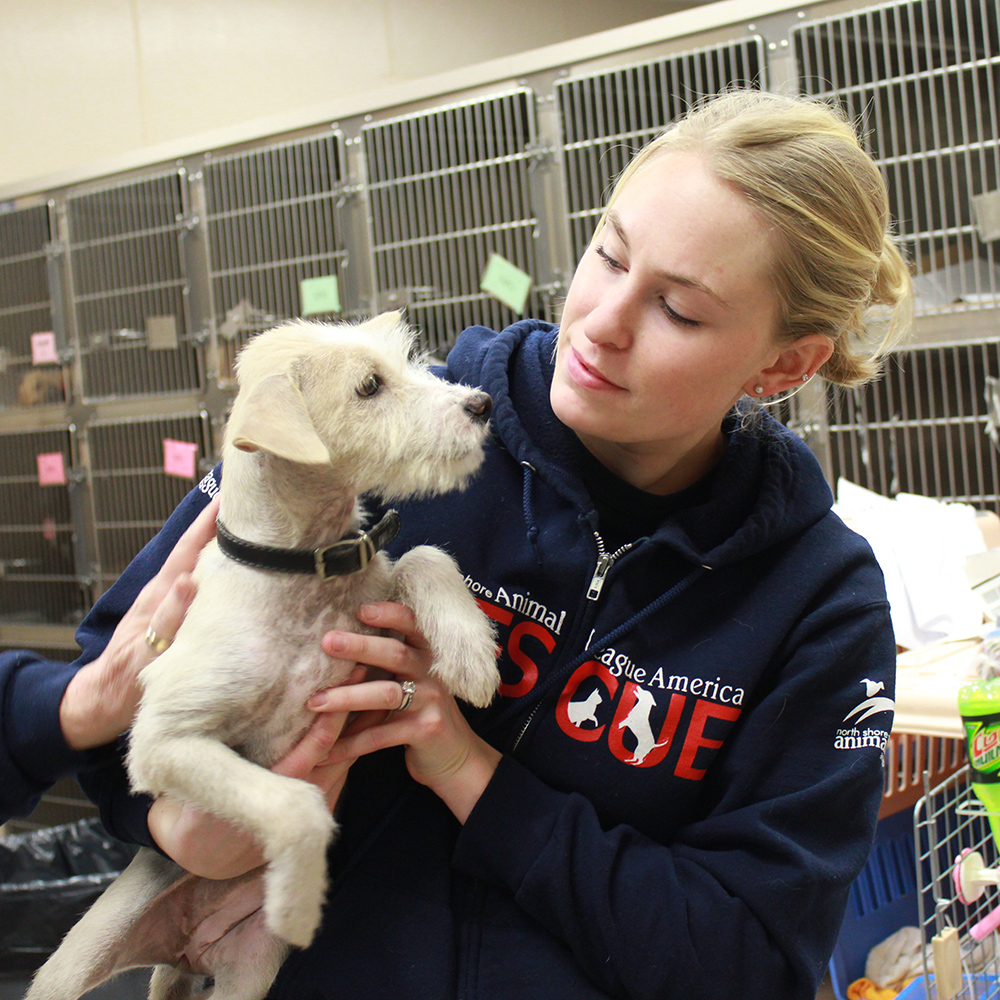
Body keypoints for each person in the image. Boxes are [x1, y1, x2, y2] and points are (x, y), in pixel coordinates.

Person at [72, 88, 912, 1000]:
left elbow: (748, 961)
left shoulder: (818, 600)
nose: (601, 322)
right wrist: (178, 825)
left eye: (678, 310)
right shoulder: (391, 423)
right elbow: (106, 690)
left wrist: (476, 776)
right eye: (609, 254)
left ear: (783, 365)